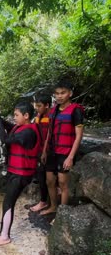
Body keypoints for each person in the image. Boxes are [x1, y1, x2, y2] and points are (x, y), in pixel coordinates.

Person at [0, 101, 40, 246]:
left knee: (8, 203)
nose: (14, 118)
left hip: (22, 174)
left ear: (27, 116)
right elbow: (6, 125)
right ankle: (3, 233)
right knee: (7, 202)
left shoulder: (28, 132)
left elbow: (4, 139)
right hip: (15, 172)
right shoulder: (21, 127)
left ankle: (4, 237)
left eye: (16, 115)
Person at [41, 79, 84, 215]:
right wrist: (44, 151)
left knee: (63, 183)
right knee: (49, 181)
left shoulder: (76, 111)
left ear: (70, 93)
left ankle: (62, 215)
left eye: (63, 93)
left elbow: (79, 136)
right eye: (57, 93)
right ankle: (53, 206)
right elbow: (49, 131)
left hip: (65, 152)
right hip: (52, 151)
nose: (59, 96)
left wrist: (70, 157)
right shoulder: (53, 111)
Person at [30, 93, 52, 212]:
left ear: (47, 105)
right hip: (39, 150)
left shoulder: (51, 117)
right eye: (36, 105)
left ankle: (44, 202)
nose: (36, 108)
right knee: (41, 176)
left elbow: (49, 136)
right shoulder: (38, 116)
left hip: (48, 151)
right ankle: (43, 200)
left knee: (44, 177)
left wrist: (44, 152)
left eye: (39, 106)